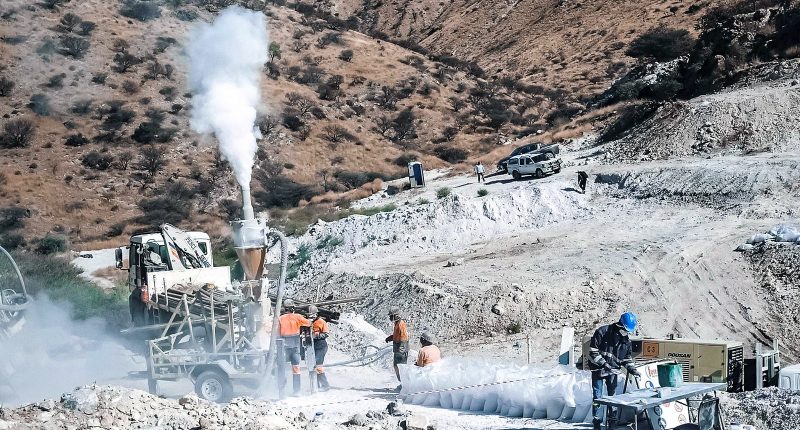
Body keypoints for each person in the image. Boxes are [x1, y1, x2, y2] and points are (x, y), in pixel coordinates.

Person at [588, 312, 641, 430]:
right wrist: (604, 364)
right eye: (626, 330)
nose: (626, 333)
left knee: (613, 398)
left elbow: (626, 358)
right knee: (597, 397)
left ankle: (612, 423)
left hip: (613, 372)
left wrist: (632, 369)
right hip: (598, 370)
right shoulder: (602, 332)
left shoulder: (626, 341)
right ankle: (597, 422)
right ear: (620, 325)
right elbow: (593, 352)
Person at [279, 299, 310, 396]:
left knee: (281, 369)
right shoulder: (298, 317)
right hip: (295, 347)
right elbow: (309, 323)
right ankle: (297, 391)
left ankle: (281, 392)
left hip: (283, 347)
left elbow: (274, 331)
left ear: (285, 308)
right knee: (296, 368)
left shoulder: (280, 318)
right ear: (293, 308)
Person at [308, 305, 331, 392]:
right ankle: (316, 385)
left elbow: (326, 334)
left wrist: (316, 336)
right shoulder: (310, 322)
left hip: (321, 346)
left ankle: (325, 385)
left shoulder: (321, 322)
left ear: (316, 314)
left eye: (312, 315)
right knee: (312, 365)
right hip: (312, 346)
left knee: (318, 366)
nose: (311, 317)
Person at [384, 307, 409, 383]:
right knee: (396, 366)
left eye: (391, 316)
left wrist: (401, 350)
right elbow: (397, 335)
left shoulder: (401, 324)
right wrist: (391, 338)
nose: (390, 317)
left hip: (401, 349)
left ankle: (404, 383)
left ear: (397, 316)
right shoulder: (397, 324)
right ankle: (402, 382)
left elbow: (404, 337)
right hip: (398, 348)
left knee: (401, 367)